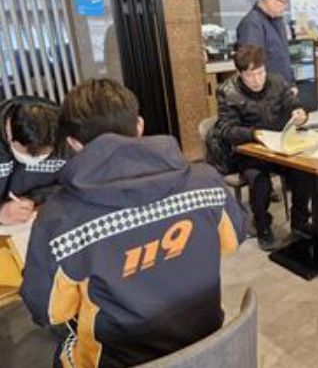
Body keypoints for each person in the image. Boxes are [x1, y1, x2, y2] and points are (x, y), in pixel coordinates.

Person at [20, 79, 246, 368]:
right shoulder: (207, 183)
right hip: (209, 346)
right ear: (139, 126)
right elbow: (234, 238)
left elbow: (48, 311)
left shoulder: (58, 221)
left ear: (74, 144)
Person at [215, 45, 312, 251]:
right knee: (260, 183)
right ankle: (262, 226)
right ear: (239, 73)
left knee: (304, 173)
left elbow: (292, 103)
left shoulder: (277, 82)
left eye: (260, 73)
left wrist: (299, 113)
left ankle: (300, 222)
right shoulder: (227, 91)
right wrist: (254, 134)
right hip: (248, 152)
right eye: (250, 75)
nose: (257, 80)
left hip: (278, 147)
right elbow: (226, 130)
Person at [0, 96, 67, 225]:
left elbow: (72, 183)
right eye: (27, 153)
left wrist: (34, 198)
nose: (35, 160)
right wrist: (1, 213)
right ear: (9, 135)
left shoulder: (63, 137)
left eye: (43, 154)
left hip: (37, 220)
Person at [236, 0, 296, 92]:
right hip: (268, 94)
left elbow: (284, 57)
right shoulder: (252, 24)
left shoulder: (277, 21)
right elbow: (253, 66)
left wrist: (291, 83)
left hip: (283, 90)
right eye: (283, 2)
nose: (285, 6)